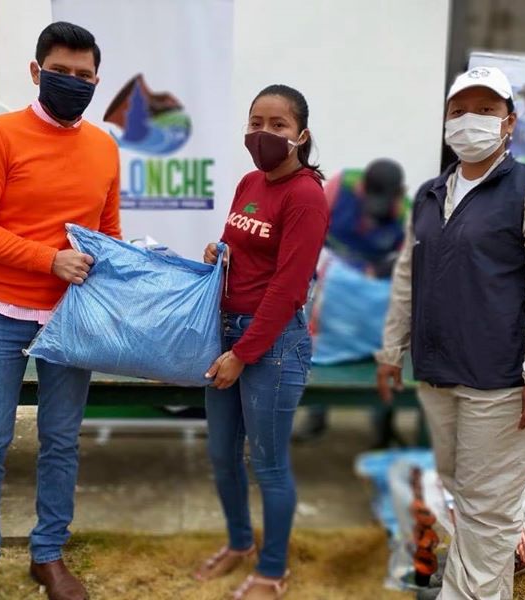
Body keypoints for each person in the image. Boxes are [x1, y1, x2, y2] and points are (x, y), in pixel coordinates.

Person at [376, 66, 525, 600]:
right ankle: (471, 579)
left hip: (503, 381)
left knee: (487, 507)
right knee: (464, 493)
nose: (470, 119)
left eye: (486, 110)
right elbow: (408, 276)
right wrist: (391, 350)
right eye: (459, 110)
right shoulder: (430, 194)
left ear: (509, 122)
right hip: (440, 373)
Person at [0, 22, 120, 600]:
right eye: (60, 72)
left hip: (71, 319)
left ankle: (47, 555)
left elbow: (107, 235)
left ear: (96, 81)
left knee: (61, 440)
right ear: (35, 71)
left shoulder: (104, 147)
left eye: (83, 75)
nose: (72, 82)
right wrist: (49, 260)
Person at [198, 84, 329, 600]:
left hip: (272, 346)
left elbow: (289, 287)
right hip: (227, 333)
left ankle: (272, 570)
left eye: (278, 125)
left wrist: (243, 353)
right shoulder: (250, 181)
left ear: (301, 135)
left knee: (268, 464)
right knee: (220, 454)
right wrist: (219, 252)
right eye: (257, 122)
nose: (264, 133)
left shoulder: (306, 196)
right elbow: (241, 245)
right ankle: (239, 543)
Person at [299, 159, 409, 444]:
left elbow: (408, 259)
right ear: (362, 189)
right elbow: (311, 231)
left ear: (398, 194)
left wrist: (380, 271)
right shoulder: (340, 189)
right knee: (320, 348)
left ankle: (383, 426)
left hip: (375, 293)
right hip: (332, 284)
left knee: (383, 355)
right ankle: (316, 416)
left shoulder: (405, 211)